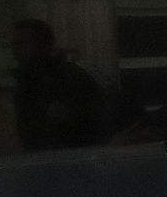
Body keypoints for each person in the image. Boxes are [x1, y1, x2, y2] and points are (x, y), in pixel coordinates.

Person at [12, 19, 106, 151]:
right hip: (39, 161)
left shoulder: (73, 77)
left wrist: (69, 117)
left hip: (72, 161)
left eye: (22, 44)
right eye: (14, 44)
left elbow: (99, 124)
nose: (15, 51)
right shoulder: (25, 82)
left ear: (44, 45)